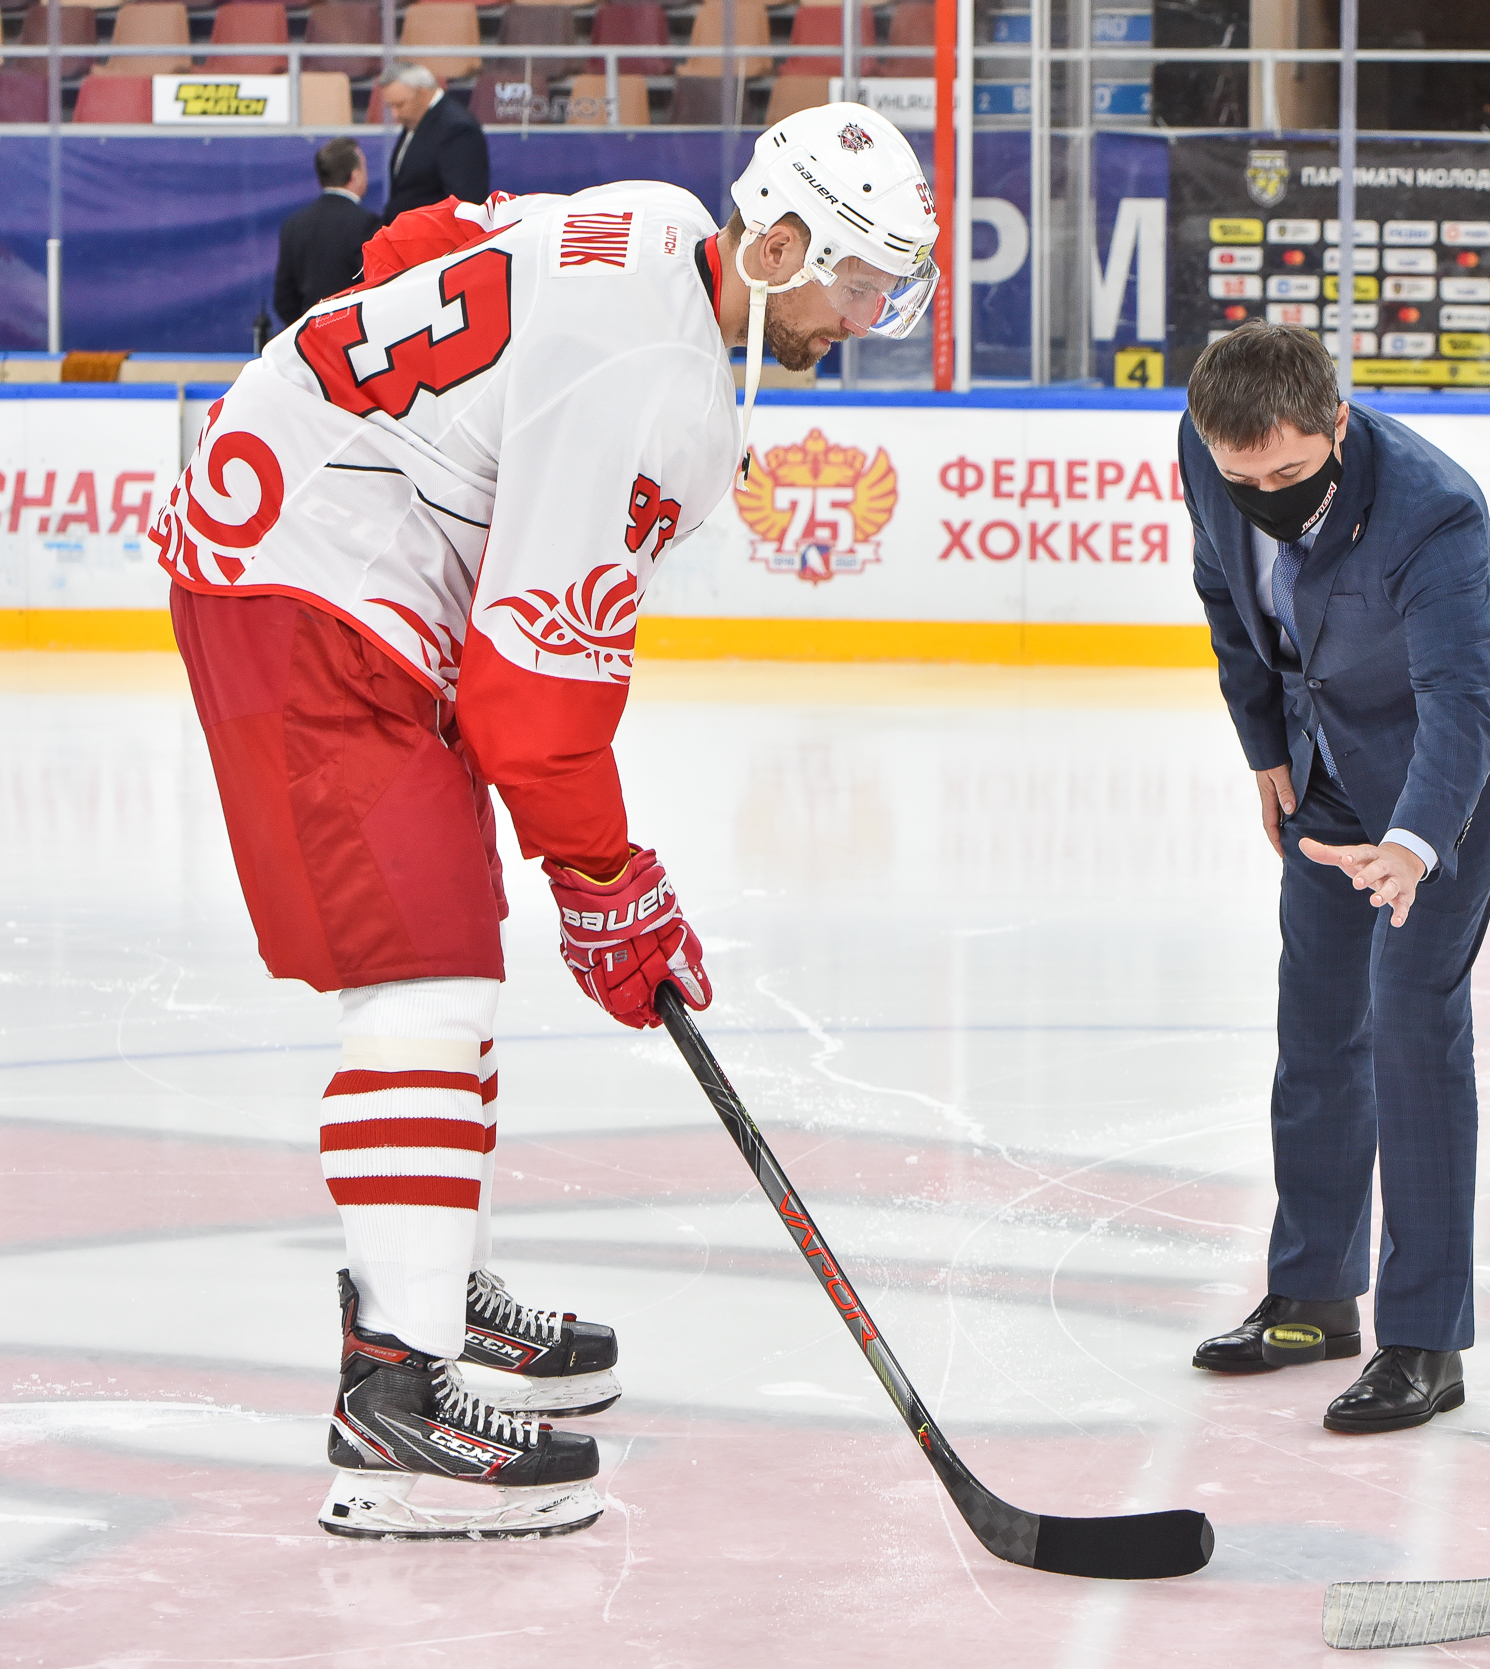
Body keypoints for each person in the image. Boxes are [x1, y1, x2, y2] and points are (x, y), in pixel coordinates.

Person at [150, 103, 940, 1540]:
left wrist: (596, 877)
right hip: (309, 585)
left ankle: (435, 1285)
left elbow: (417, 241)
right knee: (425, 975)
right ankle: (392, 1398)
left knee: (450, 957)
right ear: (772, 244)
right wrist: (611, 878)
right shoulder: (660, 382)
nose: (873, 316)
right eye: (862, 281)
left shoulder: (648, 214)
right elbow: (532, 695)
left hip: (315, 537)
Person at [1180, 322, 1490, 1434]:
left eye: (1289, 475)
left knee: (1408, 1018)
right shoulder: (1210, 451)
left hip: (1456, 777)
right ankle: (1311, 1293)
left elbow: (1466, 699)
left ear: (1337, 428)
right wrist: (1263, 746)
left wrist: (1415, 840)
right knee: (1316, 1018)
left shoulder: (1430, 508)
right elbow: (1226, 593)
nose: (1262, 495)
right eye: (1240, 476)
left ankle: (1425, 1339)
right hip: (1324, 755)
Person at [273, 138, 382, 327]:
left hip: (309, 341)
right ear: (355, 175)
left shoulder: (293, 226)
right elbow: (376, 287)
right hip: (353, 338)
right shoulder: (366, 224)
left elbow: (284, 299)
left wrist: (307, 331)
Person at [378, 63, 490, 224]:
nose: (395, 115)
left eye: (400, 105)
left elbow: (464, 202)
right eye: (391, 107)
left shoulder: (458, 129)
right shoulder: (417, 121)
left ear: (423, 93)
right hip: (406, 237)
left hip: (433, 242)